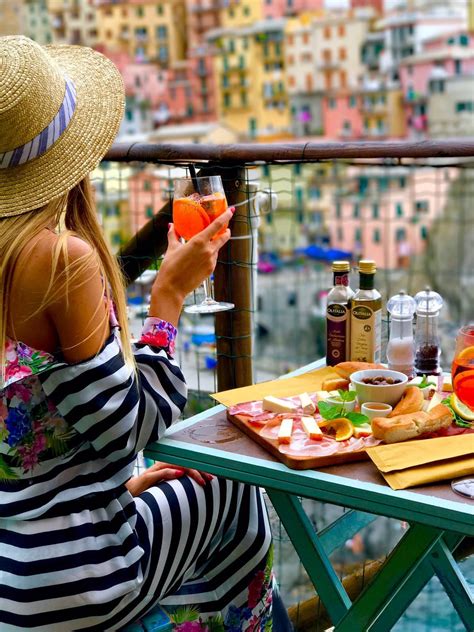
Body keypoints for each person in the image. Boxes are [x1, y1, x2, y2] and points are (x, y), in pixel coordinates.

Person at [0, 37, 285, 631]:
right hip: (73, 582)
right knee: (235, 488)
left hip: (11, 574)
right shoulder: (58, 261)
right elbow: (138, 425)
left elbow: (46, 455)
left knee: (195, 491)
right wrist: (169, 301)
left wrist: (122, 488)